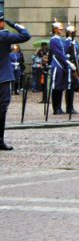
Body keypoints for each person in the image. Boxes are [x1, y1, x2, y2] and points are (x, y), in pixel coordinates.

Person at [0, 13, 31, 150]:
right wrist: (14, 25)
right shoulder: (4, 36)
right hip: (3, 78)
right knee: (2, 110)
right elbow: (26, 35)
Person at [49, 21, 71, 115]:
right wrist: (67, 62)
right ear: (55, 29)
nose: (61, 30)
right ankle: (56, 108)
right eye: (59, 29)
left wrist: (71, 41)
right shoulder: (53, 40)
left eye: (62, 29)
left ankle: (59, 107)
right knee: (56, 87)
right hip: (57, 64)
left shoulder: (62, 40)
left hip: (63, 65)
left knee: (61, 87)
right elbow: (59, 53)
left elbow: (66, 49)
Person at [64, 24, 79, 115]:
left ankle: (71, 106)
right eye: (74, 32)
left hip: (76, 65)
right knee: (69, 87)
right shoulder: (67, 42)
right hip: (70, 66)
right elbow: (66, 54)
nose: (75, 33)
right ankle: (69, 107)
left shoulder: (75, 42)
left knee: (73, 86)